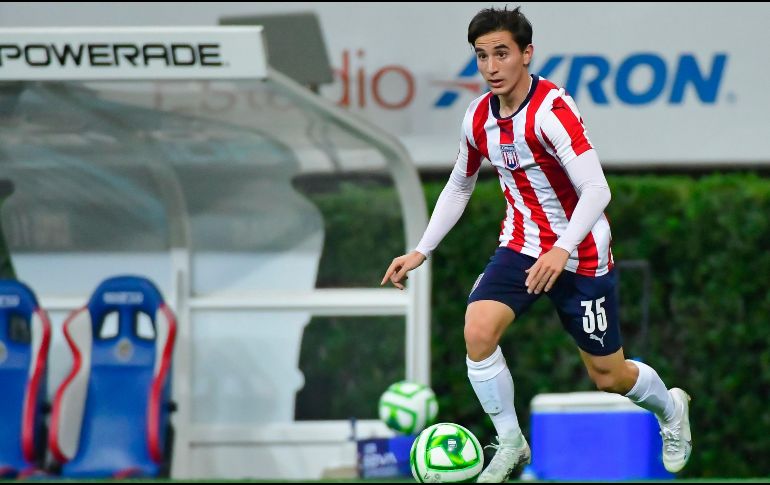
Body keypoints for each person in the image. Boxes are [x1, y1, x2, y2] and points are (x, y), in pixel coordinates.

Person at [381, 6, 692, 483]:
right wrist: (422, 248)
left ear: (526, 54)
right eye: (482, 56)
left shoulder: (553, 111)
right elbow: (459, 185)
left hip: (582, 251)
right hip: (522, 244)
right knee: (478, 331)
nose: (490, 67)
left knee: (609, 376)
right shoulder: (477, 118)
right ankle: (510, 442)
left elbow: (597, 190)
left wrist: (563, 248)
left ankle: (670, 409)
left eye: (501, 54)